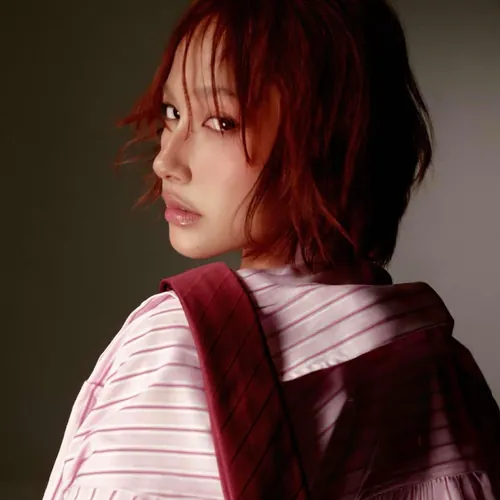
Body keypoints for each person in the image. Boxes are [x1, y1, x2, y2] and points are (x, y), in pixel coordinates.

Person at [43, 0, 500, 499]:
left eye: (222, 121)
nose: (166, 160)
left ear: (331, 137)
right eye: (172, 113)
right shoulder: (441, 364)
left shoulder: (182, 345)